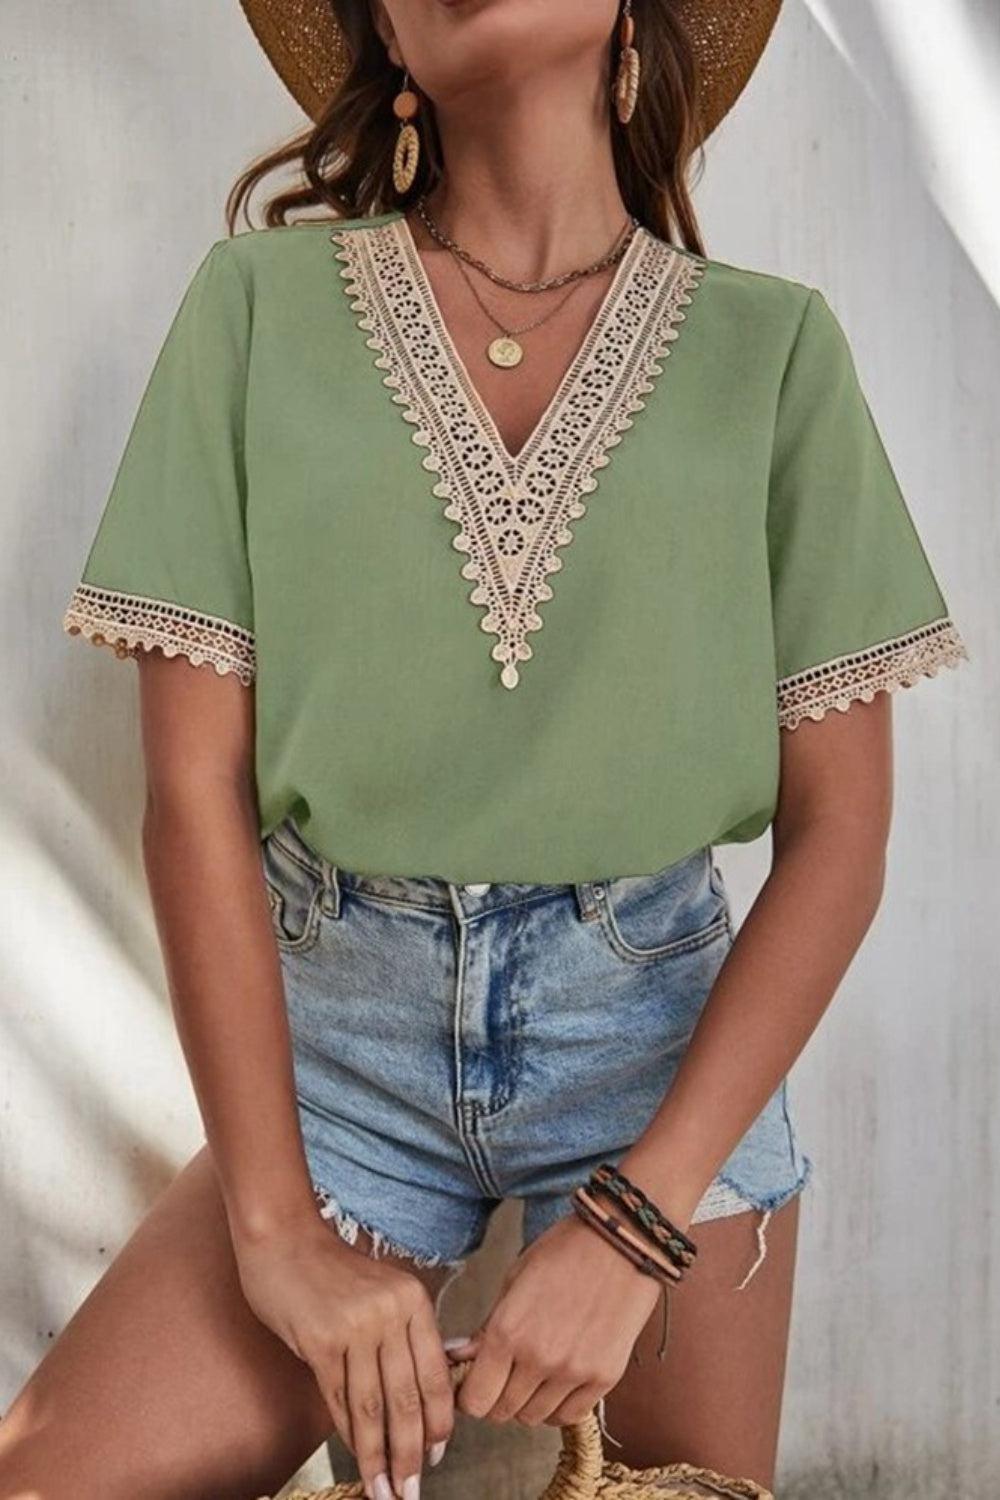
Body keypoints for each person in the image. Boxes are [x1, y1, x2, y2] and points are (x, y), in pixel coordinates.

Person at [1, 3, 970, 1499]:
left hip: (658, 1039)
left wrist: (641, 1223)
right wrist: (277, 1237)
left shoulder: (772, 354)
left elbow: (842, 840)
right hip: (334, 1041)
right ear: (382, 40)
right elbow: (191, 793)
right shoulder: (256, 312)